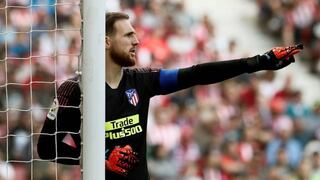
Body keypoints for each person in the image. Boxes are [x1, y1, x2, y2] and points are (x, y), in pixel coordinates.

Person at [37, 12, 303, 180]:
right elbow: (46, 149)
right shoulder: (74, 91)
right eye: (129, 34)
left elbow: (196, 73)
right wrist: (101, 158)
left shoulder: (142, 80)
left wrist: (257, 62)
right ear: (106, 41)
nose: (137, 41)